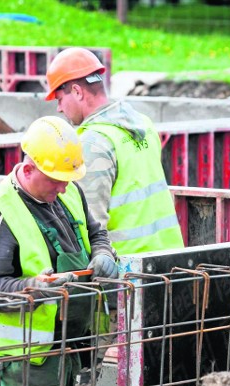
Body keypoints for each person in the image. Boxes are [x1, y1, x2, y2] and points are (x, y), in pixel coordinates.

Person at [0, 116, 119, 386]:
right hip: (27, 359)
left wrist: (103, 252)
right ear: (30, 168)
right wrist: (38, 289)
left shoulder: (68, 193)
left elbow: (96, 232)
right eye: (56, 180)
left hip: (69, 345)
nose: (63, 188)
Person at [44, 47, 184, 255]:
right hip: (170, 257)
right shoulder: (143, 125)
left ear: (76, 91)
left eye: (59, 99)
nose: (59, 108)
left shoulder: (92, 143)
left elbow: (90, 225)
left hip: (129, 271)